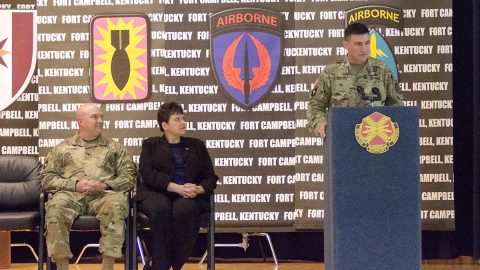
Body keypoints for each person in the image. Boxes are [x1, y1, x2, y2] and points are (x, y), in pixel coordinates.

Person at [41, 103, 136, 270]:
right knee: (55, 207)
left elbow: (128, 178)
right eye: (95, 117)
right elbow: (47, 179)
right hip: (70, 195)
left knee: (117, 204)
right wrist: (74, 184)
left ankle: (108, 266)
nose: (100, 121)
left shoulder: (115, 148)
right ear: (81, 121)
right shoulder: (62, 148)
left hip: (103, 196)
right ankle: (62, 266)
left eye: (101, 117)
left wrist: (104, 185)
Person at [136, 101, 217, 270]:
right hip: (156, 193)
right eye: (177, 119)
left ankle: (169, 263)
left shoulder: (196, 145)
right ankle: (161, 265)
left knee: (185, 210)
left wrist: (199, 189)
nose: (183, 122)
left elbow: (210, 177)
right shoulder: (150, 144)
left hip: (189, 196)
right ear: (164, 125)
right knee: (160, 208)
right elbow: (148, 174)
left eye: (183, 118)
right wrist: (175, 187)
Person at [307, 22, 404, 138]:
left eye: (367, 43)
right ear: (346, 45)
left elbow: (396, 104)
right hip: (342, 137)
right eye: (358, 44)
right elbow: (315, 106)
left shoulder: (382, 70)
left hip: (375, 138)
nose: (364, 49)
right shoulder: (330, 72)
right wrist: (320, 124)